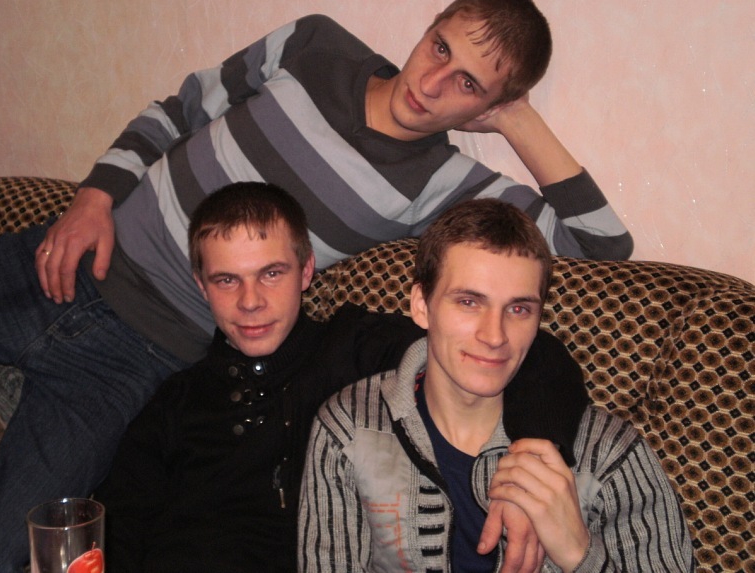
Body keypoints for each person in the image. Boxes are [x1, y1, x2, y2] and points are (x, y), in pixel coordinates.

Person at [0, 0, 633, 571]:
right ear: (428, 29)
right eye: (440, 48)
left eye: (469, 85)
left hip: (137, 358)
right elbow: (181, 110)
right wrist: (94, 196)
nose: (430, 84)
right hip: (55, 258)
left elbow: (600, 247)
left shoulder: (439, 182)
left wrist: (515, 117)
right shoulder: (315, 45)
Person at [93, 182, 571, 572]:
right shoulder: (176, 400)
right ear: (202, 286)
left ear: (306, 271)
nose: (250, 301)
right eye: (227, 280)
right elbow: (112, 532)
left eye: (272, 273)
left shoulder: (354, 348)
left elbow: (532, 355)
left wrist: (530, 473)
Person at [299, 198, 693, 572]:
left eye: (518, 309)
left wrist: (578, 551)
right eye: (469, 302)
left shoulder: (607, 454)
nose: (494, 335)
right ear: (421, 305)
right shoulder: (350, 428)